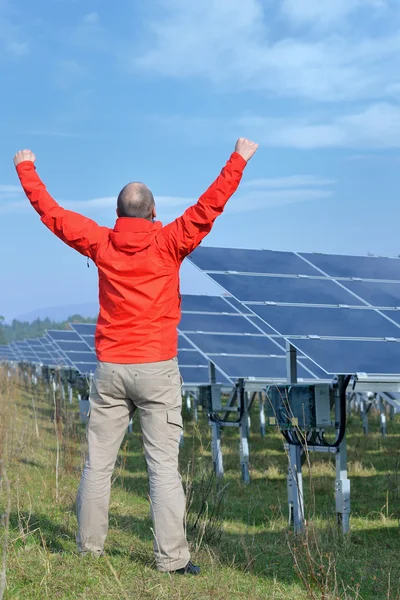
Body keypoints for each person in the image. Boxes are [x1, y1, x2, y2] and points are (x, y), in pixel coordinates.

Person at [13, 138, 259, 574]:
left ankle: (88, 550)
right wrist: (237, 159)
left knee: (98, 462)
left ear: (117, 213)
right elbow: (208, 207)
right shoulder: (169, 242)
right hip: (157, 369)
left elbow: (54, 216)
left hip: (110, 369)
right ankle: (171, 559)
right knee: (162, 467)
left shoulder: (101, 243)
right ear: (153, 211)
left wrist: (27, 171)